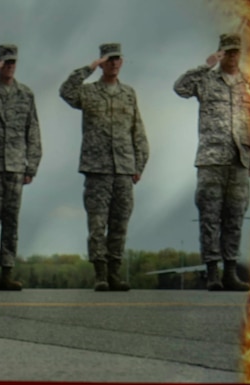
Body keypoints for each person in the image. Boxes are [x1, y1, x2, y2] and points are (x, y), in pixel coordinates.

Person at [61, 42, 149, 294]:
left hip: (123, 168)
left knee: (120, 223)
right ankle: (100, 274)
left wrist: (139, 163)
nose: (113, 63)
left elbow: (137, 130)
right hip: (97, 168)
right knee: (97, 224)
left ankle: (115, 272)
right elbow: (65, 91)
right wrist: (88, 69)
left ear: (122, 61)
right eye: (108, 59)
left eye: (117, 59)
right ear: (101, 62)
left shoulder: (129, 93)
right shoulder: (88, 92)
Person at [175, 33, 250, 292]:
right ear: (220, 53)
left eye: (235, 52)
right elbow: (180, 88)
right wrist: (205, 65)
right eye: (227, 53)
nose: (232, 57)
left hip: (239, 160)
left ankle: (230, 272)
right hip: (211, 160)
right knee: (210, 217)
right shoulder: (206, 80)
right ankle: (212, 273)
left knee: (235, 217)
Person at [0, 44, 43, 294]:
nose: (10, 66)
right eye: (5, 62)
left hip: (16, 165)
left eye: (13, 62)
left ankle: (8, 273)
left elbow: (33, 130)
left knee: (11, 221)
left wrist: (32, 165)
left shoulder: (26, 94)